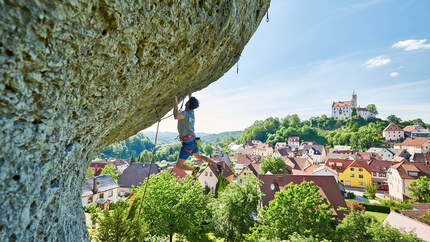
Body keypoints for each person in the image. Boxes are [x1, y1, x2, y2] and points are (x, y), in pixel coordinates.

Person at [174, 93, 221, 175]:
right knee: (199, 156)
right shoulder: (192, 112)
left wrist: (175, 102)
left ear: (188, 104)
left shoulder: (185, 114)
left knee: (178, 165)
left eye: (188, 101)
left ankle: (193, 169)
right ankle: (216, 164)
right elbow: (191, 101)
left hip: (188, 143)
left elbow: (176, 116)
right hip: (194, 140)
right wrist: (190, 93)